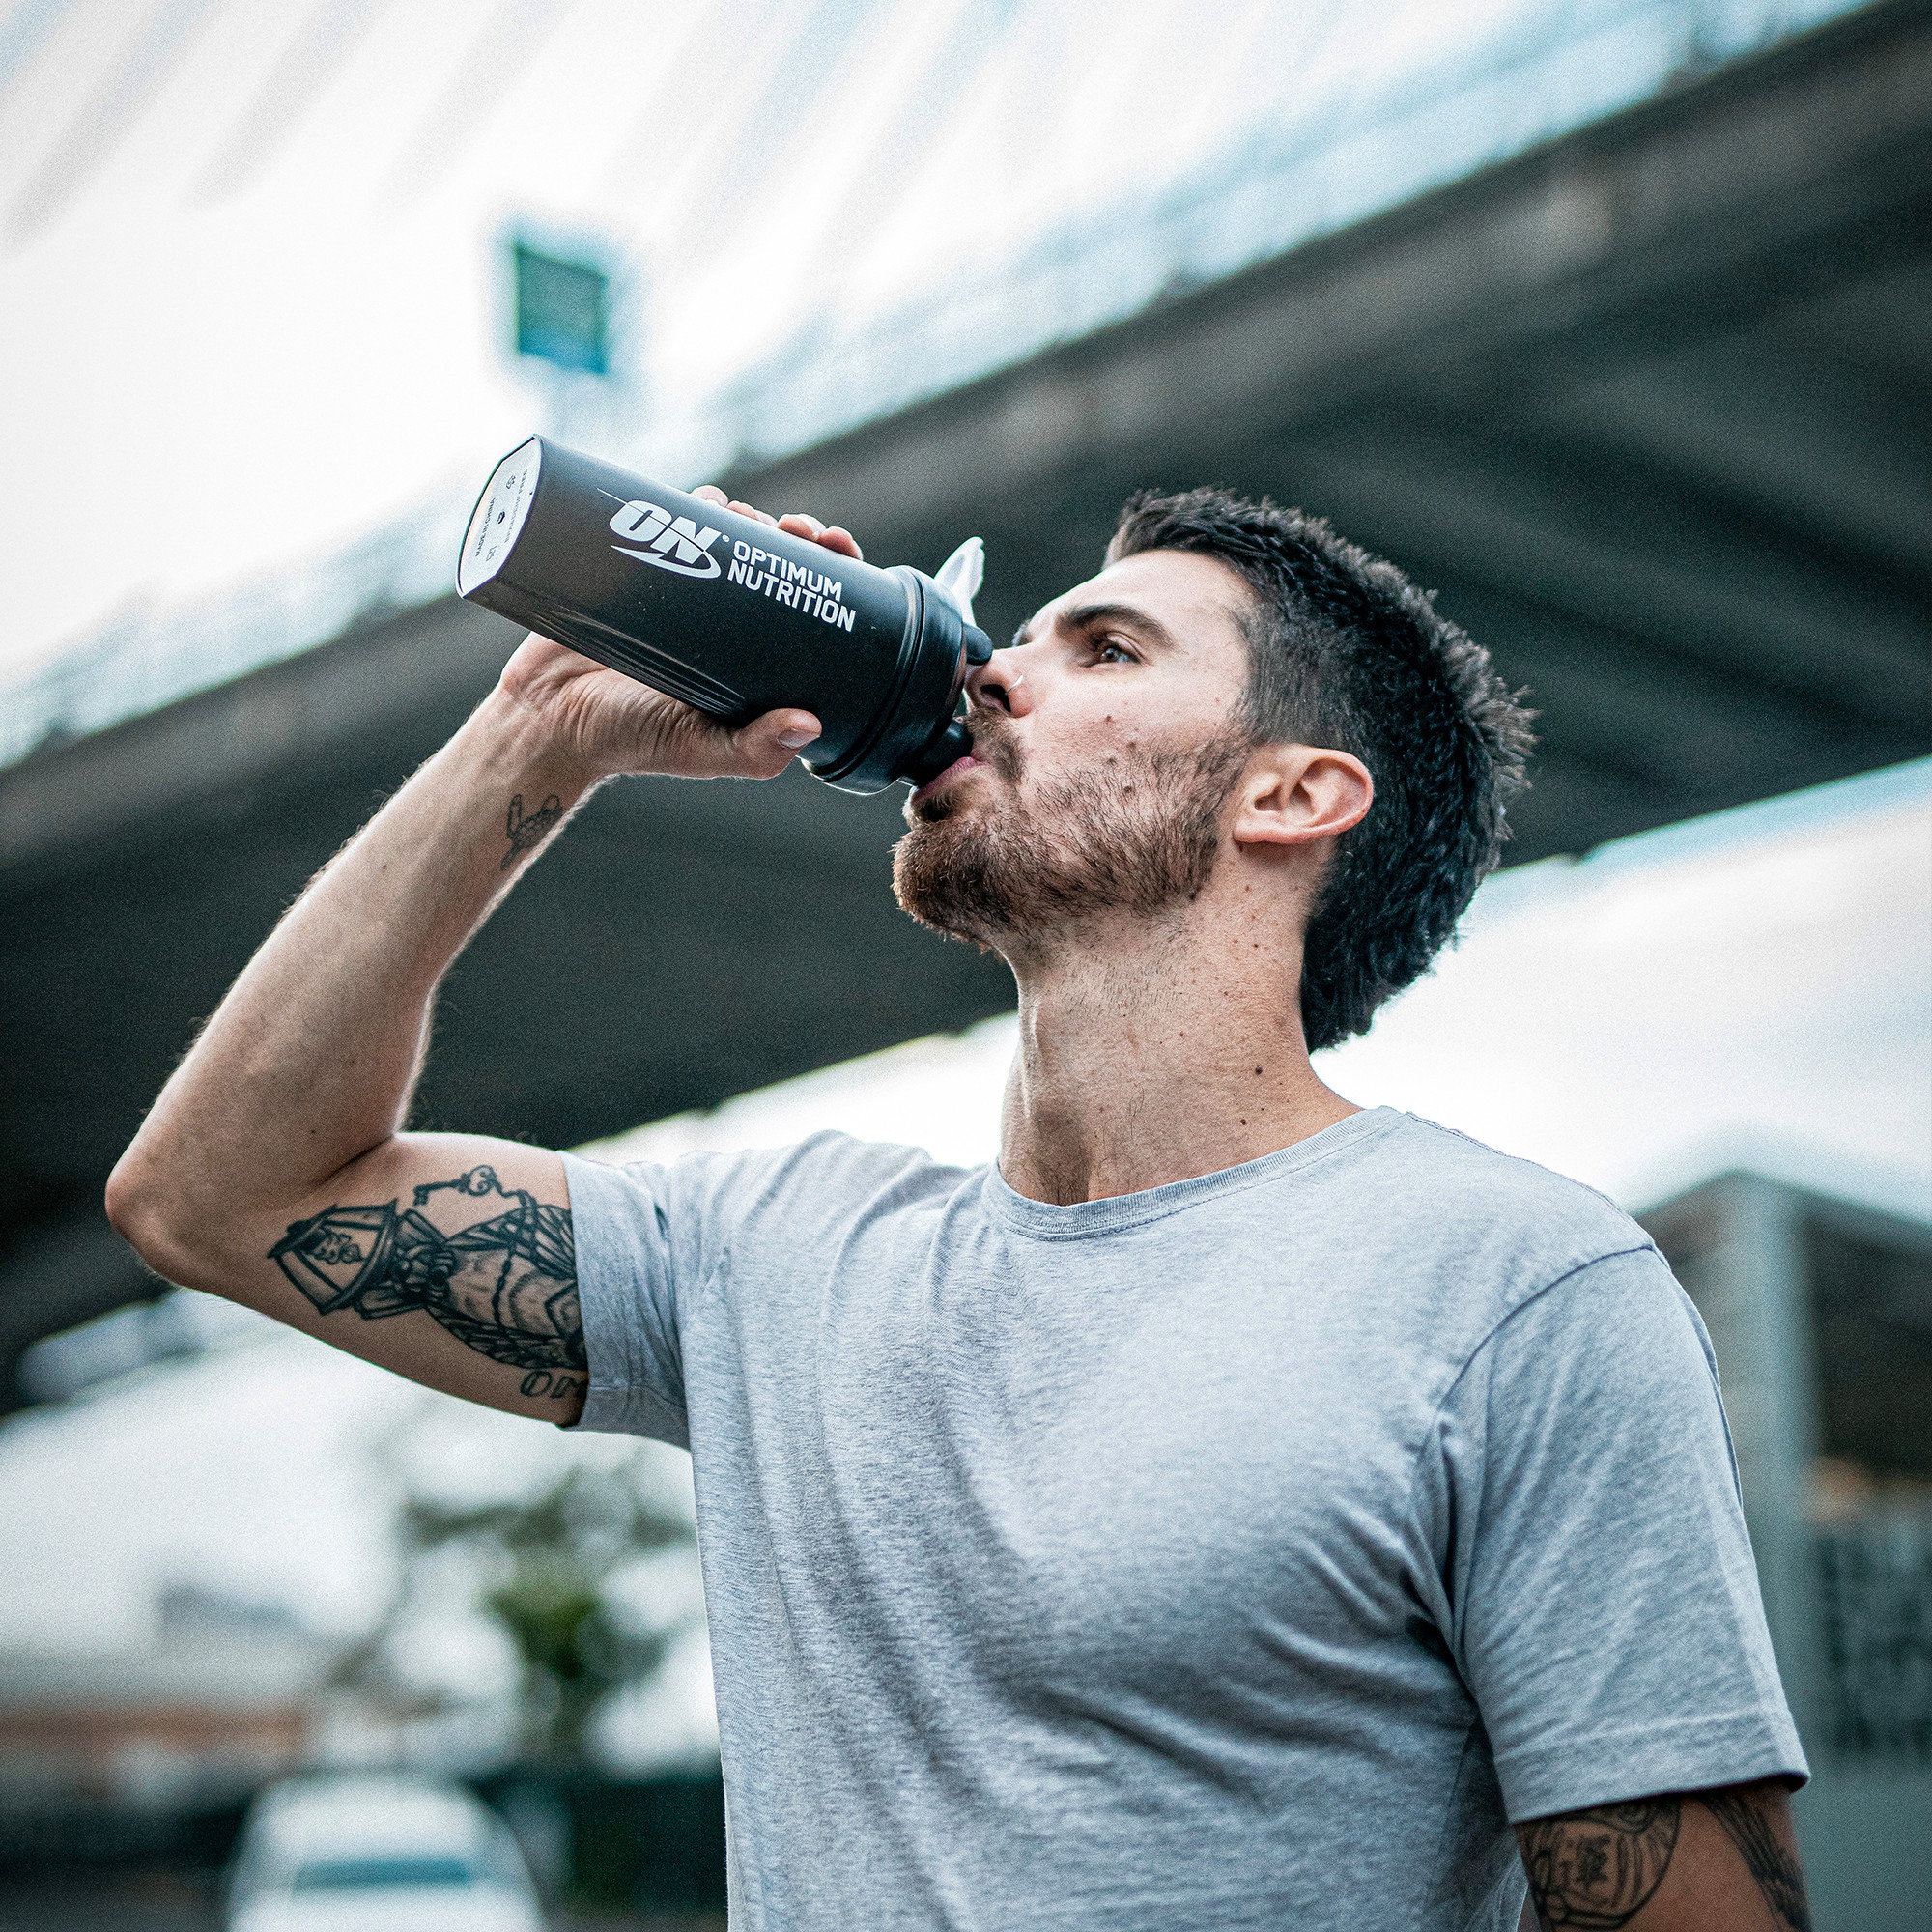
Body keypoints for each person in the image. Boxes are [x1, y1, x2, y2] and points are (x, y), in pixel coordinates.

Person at [107, 483, 1811, 1932]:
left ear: (1289, 791)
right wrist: (527, 744)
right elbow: (219, 1196)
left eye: (1107, 650)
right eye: (1029, 631)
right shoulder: (771, 1261)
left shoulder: (1512, 1290)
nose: (992, 668)